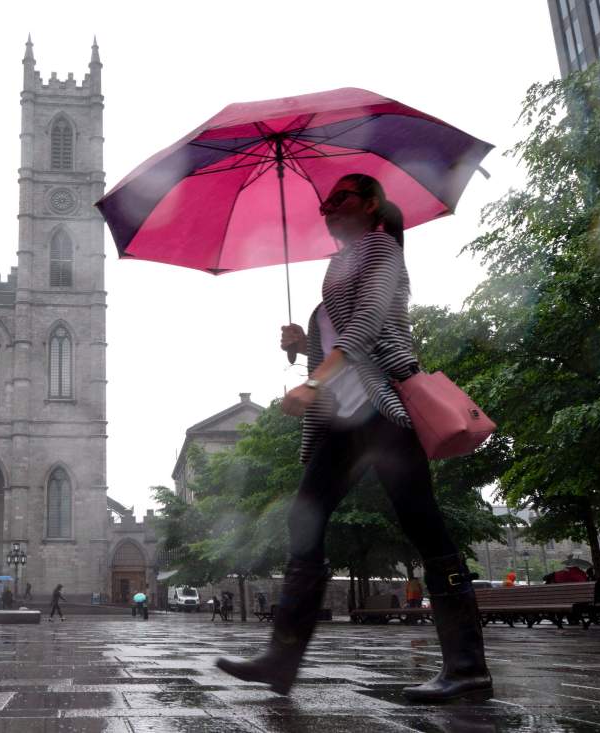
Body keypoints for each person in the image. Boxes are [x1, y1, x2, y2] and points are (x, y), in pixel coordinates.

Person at [215, 174, 493, 703]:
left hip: (382, 409)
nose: (327, 205)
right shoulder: (340, 266)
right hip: (345, 418)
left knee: (423, 524)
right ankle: (282, 659)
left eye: (339, 196)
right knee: (308, 517)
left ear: (370, 205)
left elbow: (365, 331)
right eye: (325, 199)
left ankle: (467, 666)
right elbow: (338, 341)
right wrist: (304, 348)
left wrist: (312, 381)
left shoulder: (383, 251)